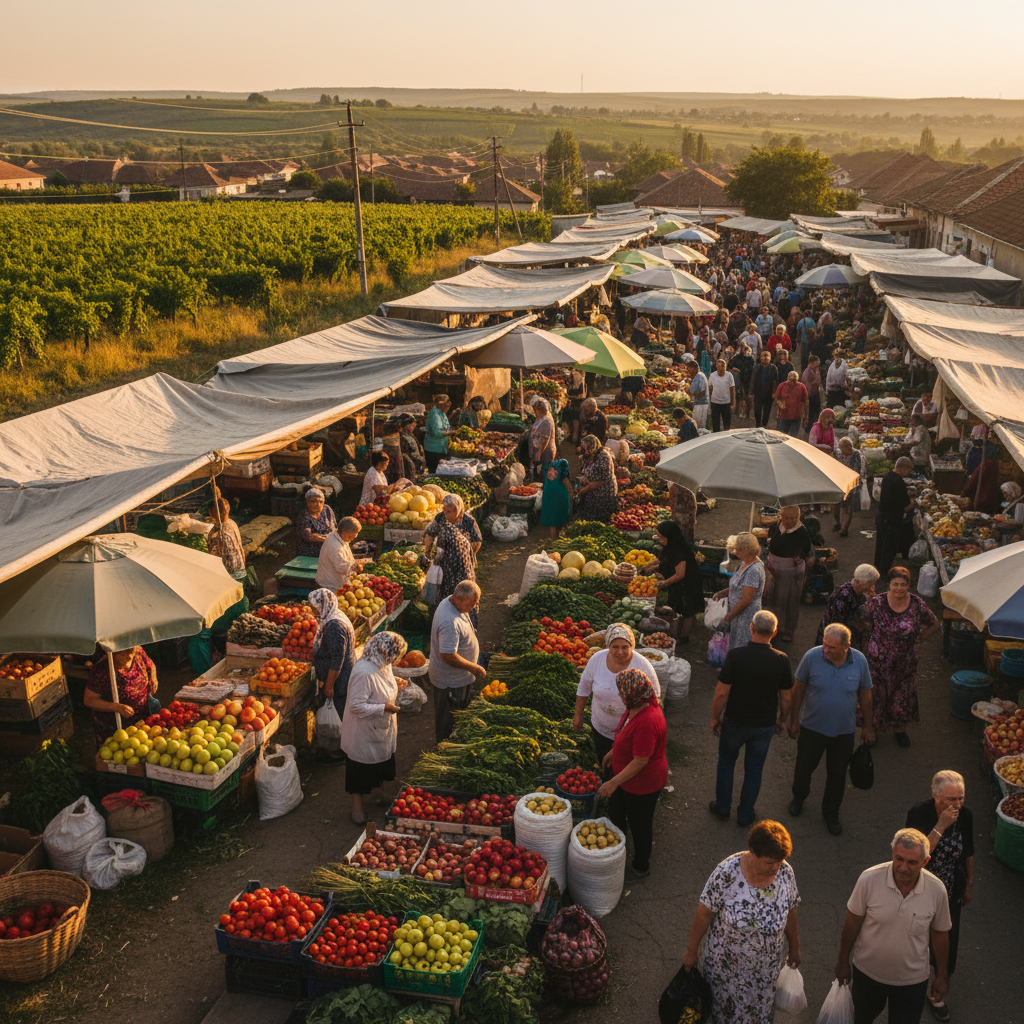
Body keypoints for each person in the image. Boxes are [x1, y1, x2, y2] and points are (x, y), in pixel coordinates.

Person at [681, 821, 801, 1024]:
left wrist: (795, 948)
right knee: (722, 1016)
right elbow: (704, 914)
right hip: (726, 972)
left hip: (764, 972)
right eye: (769, 862)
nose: (775, 867)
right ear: (753, 851)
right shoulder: (727, 873)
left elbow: (791, 911)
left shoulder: (785, 872)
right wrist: (691, 952)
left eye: (779, 861)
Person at [835, 830, 952, 1024]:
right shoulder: (869, 879)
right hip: (868, 974)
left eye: (912, 862)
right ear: (892, 852)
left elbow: (940, 934)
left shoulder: (936, 890)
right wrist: (842, 961)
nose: (903, 867)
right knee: (861, 1019)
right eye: (899, 859)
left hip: (912, 982)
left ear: (925, 861)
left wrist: (941, 976)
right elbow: (852, 922)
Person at [787, 623, 874, 835]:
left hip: (843, 732)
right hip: (812, 728)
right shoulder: (812, 657)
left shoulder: (859, 662)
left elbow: (865, 694)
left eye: (832, 647)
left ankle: (831, 813)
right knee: (804, 768)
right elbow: (798, 689)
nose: (826, 650)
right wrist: (793, 719)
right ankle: (799, 797)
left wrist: (868, 727)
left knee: (837, 775)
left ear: (846, 647)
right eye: (825, 644)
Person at [709, 611, 794, 825]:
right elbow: (786, 697)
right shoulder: (781, 660)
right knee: (754, 769)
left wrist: (714, 717)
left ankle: (722, 806)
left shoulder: (736, 656)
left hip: (735, 721)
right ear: (774, 632)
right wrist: (782, 719)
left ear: (751, 628)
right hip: (763, 725)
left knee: (727, 762)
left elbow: (721, 692)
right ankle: (746, 813)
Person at [905, 771, 974, 1022]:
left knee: (946, 940)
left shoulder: (965, 816)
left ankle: (939, 987)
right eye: (950, 799)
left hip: (949, 891)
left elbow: (968, 850)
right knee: (916, 938)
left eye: (961, 798)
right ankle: (912, 984)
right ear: (936, 796)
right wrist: (941, 826)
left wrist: (969, 883)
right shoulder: (919, 814)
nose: (956, 805)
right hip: (920, 889)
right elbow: (915, 856)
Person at [596, 668, 668, 881]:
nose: (619, 696)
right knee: (617, 812)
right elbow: (625, 732)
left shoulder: (648, 720)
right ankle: (618, 849)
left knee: (641, 824)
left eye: (622, 693)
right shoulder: (636, 705)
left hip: (643, 784)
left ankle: (640, 866)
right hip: (625, 779)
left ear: (633, 694)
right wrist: (612, 752)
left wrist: (613, 783)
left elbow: (641, 760)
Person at [857, 567, 939, 747]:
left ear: (909, 585)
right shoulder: (877, 603)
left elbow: (934, 624)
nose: (899, 588)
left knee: (901, 696)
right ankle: (872, 729)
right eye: (895, 584)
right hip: (877, 663)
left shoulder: (917, 604)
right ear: (889, 585)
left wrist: (919, 639)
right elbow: (859, 618)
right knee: (875, 695)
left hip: (905, 663)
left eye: (903, 584)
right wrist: (868, 638)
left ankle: (899, 730)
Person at [340, 631, 405, 823]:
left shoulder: (381, 662)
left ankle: (378, 793)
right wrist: (384, 707)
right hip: (363, 730)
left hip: (380, 727)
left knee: (381, 762)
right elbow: (356, 705)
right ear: (385, 651)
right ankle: (357, 805)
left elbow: (383, 685)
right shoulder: (363, 672)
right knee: (360, 768)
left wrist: (396, 685)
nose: (395, 661)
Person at [574, 624, 660, 768]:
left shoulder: (642, 665)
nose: (620, 652)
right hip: (600, 727)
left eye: (625, 647)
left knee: (625, 767)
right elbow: (584, 687)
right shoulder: (597, 660)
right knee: (605, 762)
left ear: (632, 646)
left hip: (631, 733)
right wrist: (578, 715)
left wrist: (635, 727)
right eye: (615, 646)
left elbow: (654, 698)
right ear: (608, 645)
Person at [428, 581, 486, 742]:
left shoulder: (451, 601)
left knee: (455, 716)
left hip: (456, 679)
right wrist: (473, 668)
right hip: (450, 683)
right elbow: (447, 655)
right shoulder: (449, 622)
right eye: (473, 603)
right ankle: (443, 749)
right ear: (459, 598)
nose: (475, 606)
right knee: (448, 719)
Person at [308, 587, 357, 763]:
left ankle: (341, 751)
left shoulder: (335, 626)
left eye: (314, 607)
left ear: (324, 605)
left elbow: (337, 659)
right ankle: (337, 747)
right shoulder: (332, 617)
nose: (312, 611)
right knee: (338, 711)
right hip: (338, 677)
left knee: (339, 712)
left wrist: (328, 686)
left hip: (339, 679)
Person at [85, 647, 159, 742]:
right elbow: (89, 700)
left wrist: (153, 677)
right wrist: (116, 707)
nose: (129, 658)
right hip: (114, 725)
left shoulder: (138, 651)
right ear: (113, 653)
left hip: (141, 718)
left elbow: (150, 664)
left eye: (130, 655)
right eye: (123, 655)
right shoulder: (101, 671)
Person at [646, 520, 703, 642]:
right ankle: (675, 633)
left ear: (669, 535)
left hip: (688, 583)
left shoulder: (681, 551)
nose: (659, 539)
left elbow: (680, 575)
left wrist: (663, 584)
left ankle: (683, 638)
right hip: (678, 584)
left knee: (688, 610)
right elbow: (665, 560)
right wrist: (650, 566)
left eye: (661, 536)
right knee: (677, 608)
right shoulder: (670, 546)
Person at [423, 493, 483, 609]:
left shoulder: (468, 520)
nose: (446, 515)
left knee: (465, 590)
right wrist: (427, 551)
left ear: (459, 508)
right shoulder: (440, 518)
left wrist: (470, 555)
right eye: (445, 511)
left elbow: (477, 541)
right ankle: (443, 614)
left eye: (450, 511)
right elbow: (429, 533)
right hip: (445, 563)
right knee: (444, 591)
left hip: (463, 565)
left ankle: (467, 614)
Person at [765, 506, 815, 643]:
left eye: (793, 518)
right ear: (781, 516)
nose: (789, 521)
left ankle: (787, 630)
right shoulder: (777, 525)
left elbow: (806, 548)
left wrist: (800, 556)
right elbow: (771, 539)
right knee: (772, 597)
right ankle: (773, 626)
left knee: (788, 599)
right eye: (786, 517)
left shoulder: (801, 531)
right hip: (773, 566)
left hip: (790, 570)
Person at [712, 532, 766, 651]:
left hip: (746, 615)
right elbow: (738, 585)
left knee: (742, 646)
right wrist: (724, 592)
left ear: (748, 550)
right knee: (734, 642)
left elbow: (746, 600)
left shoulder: (754, 570)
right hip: (737, 612)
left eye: (739, 550)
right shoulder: (743, 563)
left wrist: (728, 617)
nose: (736, 552)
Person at [816, 564, 880, 646]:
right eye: (869, 584)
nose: (870, 587)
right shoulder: (843, 596)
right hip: (834, 639)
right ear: (858, 581)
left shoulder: (857, 592)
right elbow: (840, 623)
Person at [874, 457, 914, 573]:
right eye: (909, 470)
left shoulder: (887, 475)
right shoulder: (898, 481)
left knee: (881, 543)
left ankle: (877, 566)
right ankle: (884, 571)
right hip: (891, 519)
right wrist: (914, 503)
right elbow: (905, 504)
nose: (909, 472)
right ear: (904, 468)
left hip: (881, 515)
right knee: (890, 546)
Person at [575, 435, 618, 521]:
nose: (585, 451)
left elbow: (600, 481)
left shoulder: (603, 457)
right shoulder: (594, 455)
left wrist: (582, 491)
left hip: (602, 493)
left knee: (597, 518)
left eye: (587, 448)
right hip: (592, 487)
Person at [315, 516, 363, 591]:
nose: (354, 537)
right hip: (329, 586)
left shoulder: (337, 536)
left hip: (333, 581)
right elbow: (341, 567)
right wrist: (356, 566)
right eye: (353, 535)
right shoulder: (334, 545)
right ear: (345, 532)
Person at [206, 497, 246, 582]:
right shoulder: (232, 523)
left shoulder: (216, 533)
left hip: (230, 574)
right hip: (241, 568)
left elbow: (213, 555)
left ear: (212, 514)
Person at [833, 437, 866, 536]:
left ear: (850, 448)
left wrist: (853, 487)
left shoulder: (858, 456)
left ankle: (844, 529)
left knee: (847, 506)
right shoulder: (838, 454)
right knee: (836, 504)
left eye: (844, 451)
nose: (842, 453)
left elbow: (860, 472)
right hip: (839, 481)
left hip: (851, 483)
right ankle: (838, 523)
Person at [296, 487, 337, 558]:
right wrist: (327, 540)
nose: (317, 505)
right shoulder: (304, 515)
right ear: (307, 502)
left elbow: (334, 528)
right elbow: (308, 536)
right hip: (311, 550)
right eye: (313, 501)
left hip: (329, 543)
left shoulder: (327, 509)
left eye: (320, 501)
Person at [540, 458, 572, 540]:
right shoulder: (563, 468)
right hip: (559, 496)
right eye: (550, 470)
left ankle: (554, 538)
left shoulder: (546, 467)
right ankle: (554, 540)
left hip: (549, 496)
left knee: (553, 519)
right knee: (557, 519)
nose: (551, 472)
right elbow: (567, 483)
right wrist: (572, 493)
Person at [750, 349, 779, 428]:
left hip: (769, 394)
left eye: (767, 356)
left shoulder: (773, 368)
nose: (765, 358)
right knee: (757, 410)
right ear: (760, 357)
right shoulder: (756, 367)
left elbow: (775, 381)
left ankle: (764, 425)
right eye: (763, 356)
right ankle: (758, 425)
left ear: (770, 358)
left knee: (767, 411)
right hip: (758, 393)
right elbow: (753, 380)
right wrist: (751, 393)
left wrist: (774, 392)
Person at [528, 399, 557, 477]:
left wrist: (539, 452)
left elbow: (545, 438)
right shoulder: (542, 419)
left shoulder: (546, 421)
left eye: (535, 411)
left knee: (542, 473)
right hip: (541, 451)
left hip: (545, 452)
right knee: (539, 472)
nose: (535, 412)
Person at [774, 370, 808, 436]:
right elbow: (776, 398)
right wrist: (780, 403)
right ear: (787, 378)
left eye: (794, 377)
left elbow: (806, 401)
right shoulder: (782, 386)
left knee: (793, 437)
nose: (792, 378)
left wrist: (806, 415)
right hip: (783, 416)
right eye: (790, 377)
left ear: (798, 378)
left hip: (796, 416)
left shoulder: (802, 387)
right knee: (781, 436)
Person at [424, 394, 452, 472]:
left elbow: (446, 428)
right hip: (434, 449)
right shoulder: (434, 415)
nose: (447, 407)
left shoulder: (442, 413)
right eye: (445, 405)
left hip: (441, 448)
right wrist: (452, 433)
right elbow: (437, 433)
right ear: (439, 404)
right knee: (434, 471)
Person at [708, 358, 736, 432]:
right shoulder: (712, 375)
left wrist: (733, 403)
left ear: (725, 366)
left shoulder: (729, 375)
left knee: (726, 425)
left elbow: (732, 389)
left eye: (723, 366)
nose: (721, 368)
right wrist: (709, 402)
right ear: (716, 366)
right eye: (719, 366)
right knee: (715, 425)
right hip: (715, 402)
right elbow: (710, 389)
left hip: (726, 403)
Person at [729, 343, 755, 419]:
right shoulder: (737, 358)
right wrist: (733, 369)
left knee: (749, 395)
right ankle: (737, 410)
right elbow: (730, 366)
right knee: (738, 393)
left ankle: (748, 412)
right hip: (739, 378)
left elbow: (752, 369)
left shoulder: (751, 359)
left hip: (748, 378)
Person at [398, 414, 427, 478]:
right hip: (410, 468)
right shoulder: (402, 437)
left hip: (418, 466)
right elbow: (408, 455)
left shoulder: (410, 435)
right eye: (412, 426)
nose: (414, 428)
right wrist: (423, 460)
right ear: (406, 426)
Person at [687, 355, 710, 430]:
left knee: (699, 427)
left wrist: (692, 394)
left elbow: (702, 393)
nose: (688, 370)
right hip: (699, 405)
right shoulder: (697, 376)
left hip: (701, 406)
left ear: (694, 368)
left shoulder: (699, 376)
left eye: (689, 368)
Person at [564, 368, 587, 443]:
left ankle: (574, 439)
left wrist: (568, 396)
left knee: (575, 422)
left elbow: (571, 388)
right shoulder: (581, 375)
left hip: (575, 402)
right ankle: (575, 438)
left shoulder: (575, 375)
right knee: (576, 422)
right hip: (579, 401)